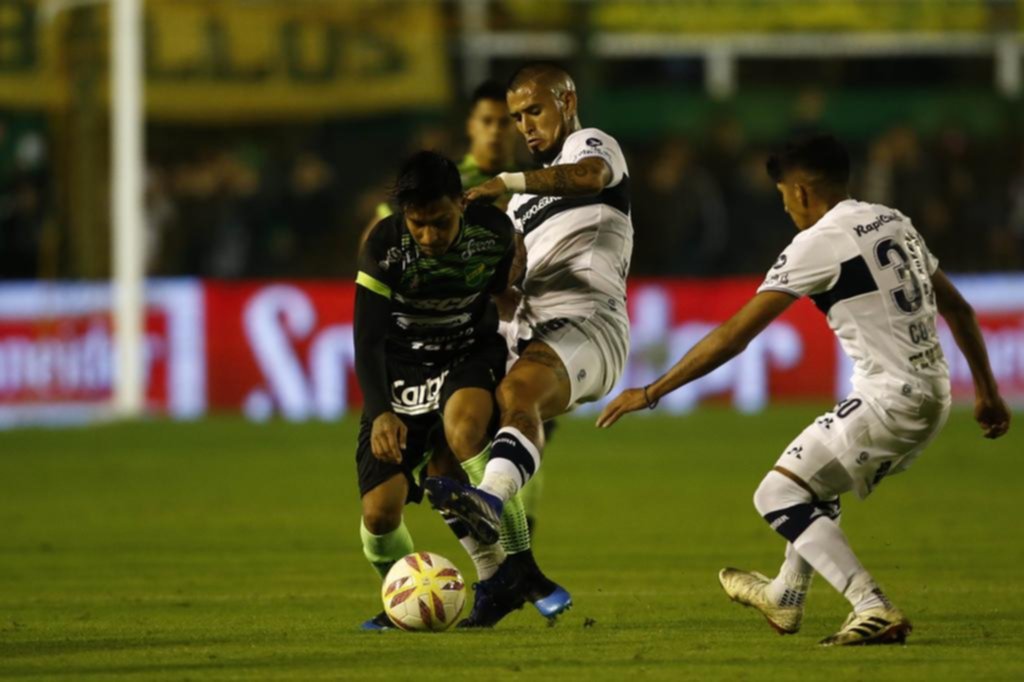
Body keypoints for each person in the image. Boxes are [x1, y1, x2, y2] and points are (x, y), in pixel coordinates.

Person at [596, 134, 1011, 646]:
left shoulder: (819, 243)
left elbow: (735, 335)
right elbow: (960, 309)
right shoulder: (892, 220)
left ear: (801, 191)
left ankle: (870, 604)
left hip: (891, 399)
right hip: (933, 393)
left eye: (783, 196)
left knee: (777, 493)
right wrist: (988, 392)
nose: (786, 207)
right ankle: (786, 593)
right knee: (813, 483)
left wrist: (652, 391)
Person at [425, 63, 634, 559]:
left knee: (520, 392)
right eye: (517, 117)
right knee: (445, 448)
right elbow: (508, 288)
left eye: (534, 111)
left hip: (590, 321)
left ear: (566, 101)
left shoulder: (593, 147)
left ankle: (492, 500)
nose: (525, 126)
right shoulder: (518, 209)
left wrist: (506, 180)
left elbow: (589, 178)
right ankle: (499, 575)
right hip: (524, 330)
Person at [353, 150, 565, 630]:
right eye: (418, 224)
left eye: (440, 222)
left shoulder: (491, 233)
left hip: (466, 353)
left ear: (462, 206)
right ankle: (402, 597)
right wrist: (381, 411)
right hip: (402, 368)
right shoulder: (384, 247)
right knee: (380, 515)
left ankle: (517, 567)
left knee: (465, 432)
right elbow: (366, 340)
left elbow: (496, 285)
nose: (428, 237)